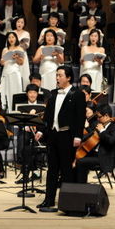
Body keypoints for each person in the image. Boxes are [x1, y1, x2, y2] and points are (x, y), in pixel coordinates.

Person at [35, 66, 86, 212]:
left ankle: (66, 202)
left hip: (67, 135)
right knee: (52, 169)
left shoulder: (78, 94)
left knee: (66, 170)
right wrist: (41, 130)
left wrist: (78, 136)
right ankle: (49, 200)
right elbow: (48, 116)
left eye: (60, 75)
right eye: (56, 75)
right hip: (53, 135)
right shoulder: (53, 93)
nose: (57, 78)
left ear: (68, 78)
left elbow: (80, 117)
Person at [74, 104, 115, 184]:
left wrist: (102, 131)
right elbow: (92, 136)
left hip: (105, 158)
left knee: (80, 162)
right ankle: (76, 183)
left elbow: (111, 141)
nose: (98, 119)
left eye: (99, 117)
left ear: (106, 116)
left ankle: (81, 186)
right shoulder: (101, 125)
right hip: (96, 154)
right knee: (74, 157)